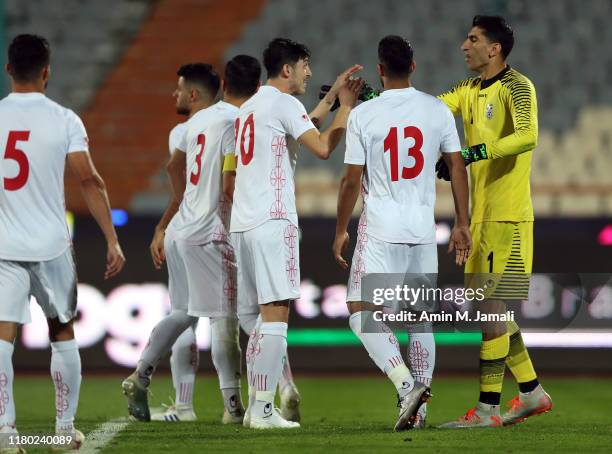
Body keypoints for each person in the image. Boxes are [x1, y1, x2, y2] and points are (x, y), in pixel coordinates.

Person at [333, 35, 471, 431]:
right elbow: (457, 167)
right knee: (420, 321)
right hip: (422, 231)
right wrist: (461, 223)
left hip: (380, 230)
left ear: (379, 70)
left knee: (361, 315)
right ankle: (420, 410)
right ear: (413, 66)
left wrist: (341, 229)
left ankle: (406, 384)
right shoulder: (436, 110)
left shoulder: (364, 115)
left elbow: (349, 181)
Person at [0, 34, 126, 450]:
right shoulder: (65, 119)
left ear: (8, 69)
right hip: (52, 244)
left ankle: (5, 432)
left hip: (4, 246)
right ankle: (62, 429)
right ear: (47, 72)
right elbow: (89, 179)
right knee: (62, 332)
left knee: (3, 337)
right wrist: (111, 238)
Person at [231, 37, 363, 429]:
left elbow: (302, 127)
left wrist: (332, 100)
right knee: (276, 315)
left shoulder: (251, 106)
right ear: (287, 69)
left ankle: (259, 405)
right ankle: (262, 410)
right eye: (305, 65)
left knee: (260, 317)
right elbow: (321, 147)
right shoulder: (285, 104)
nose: (309, 72)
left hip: (243, 223)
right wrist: (347, 110)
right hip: (274, 219)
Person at [122, 59, 258, 424]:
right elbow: (230, 184)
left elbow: (172, 167)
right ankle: (233, 408)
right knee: (223, 319)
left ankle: (141, 375)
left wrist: (179, 210)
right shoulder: (234, 122)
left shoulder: (194, 122)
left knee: (183, 313)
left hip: (181, 230)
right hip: (209, 233)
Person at [436, 15, 552, 428]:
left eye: (472, 39)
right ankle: (532, 393)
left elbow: (528, 135)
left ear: (494, 48)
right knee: (492, 313)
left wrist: (469, 154)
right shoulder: (466, 90)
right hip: (482, 218)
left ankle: (487, 411)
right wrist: (375, 99)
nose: (464, 46)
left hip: (509, 216)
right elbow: (429, 111)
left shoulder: (518, 86)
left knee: (490, 313)